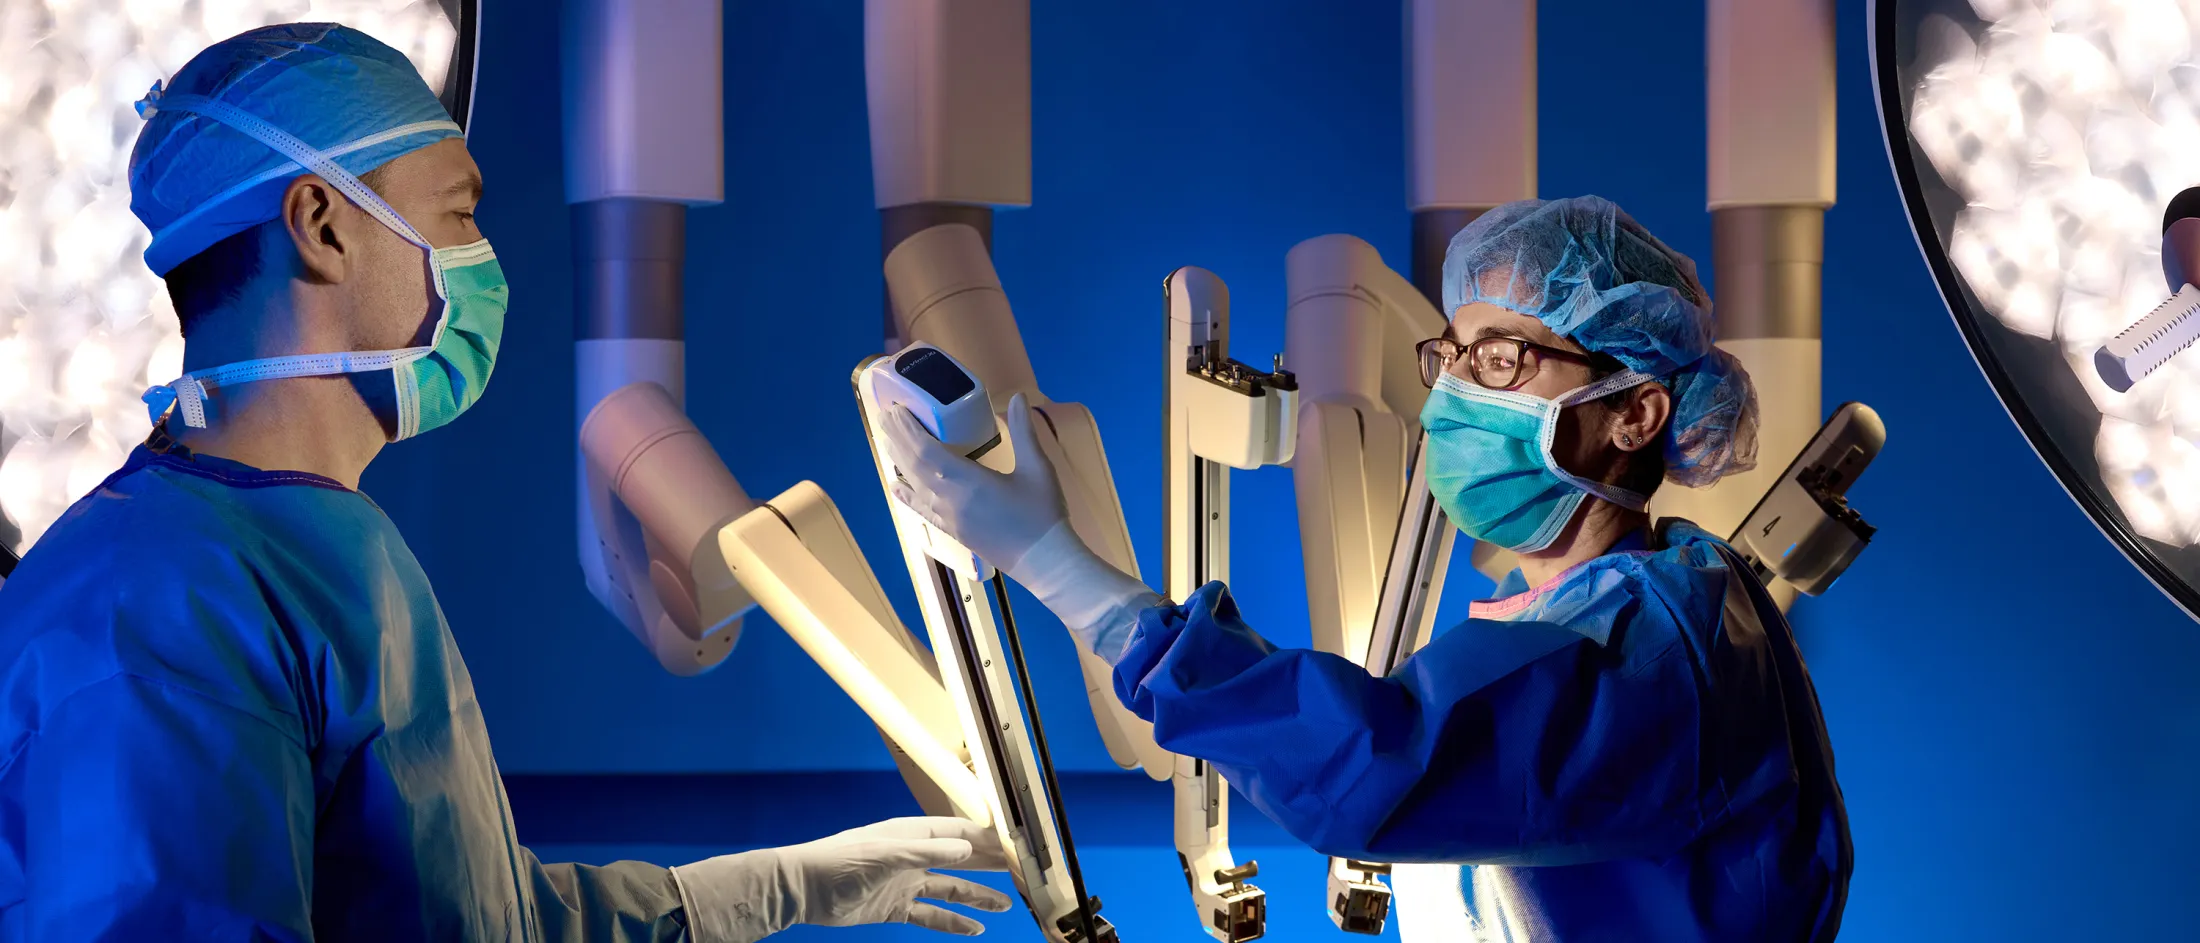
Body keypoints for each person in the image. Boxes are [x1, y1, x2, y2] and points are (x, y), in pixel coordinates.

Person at [0, 24, 1010, 942]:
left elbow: (471, 917)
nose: (480, 259)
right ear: (323, 222)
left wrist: (777, 888)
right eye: (457, 213)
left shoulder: (324, 552)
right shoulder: (150, 600)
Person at [883, 196, 1853, 942]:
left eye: (1504, 361)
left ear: (1633, 413)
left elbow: (1376, 765)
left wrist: (1061, 568)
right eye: (1451, 356)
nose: (1455, 396)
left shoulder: (1654, 658)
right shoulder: (1607, 611)